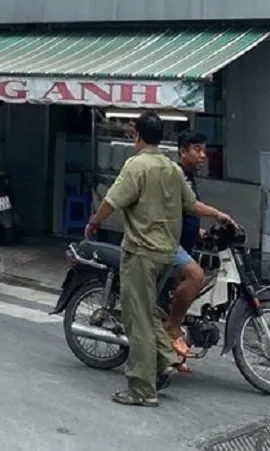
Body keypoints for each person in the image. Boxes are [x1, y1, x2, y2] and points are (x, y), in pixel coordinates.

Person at [84, 112, 233, 407]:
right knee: (149, 312)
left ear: (137, 136)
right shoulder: (171, 168)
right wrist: (217, 213)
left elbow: (112, 200)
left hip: (141, 252)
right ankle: (165, 358)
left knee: (137, 319)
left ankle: (142, 389)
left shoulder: (136, 165)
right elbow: (190, 204)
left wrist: (93, 222)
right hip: (167, 253)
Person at [161, 131, 213, 367]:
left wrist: (199, 233)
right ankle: (173, 325)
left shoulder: (189, 176)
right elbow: (191, 206)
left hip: (182, 242)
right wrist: (220, 216)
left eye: (204, 150)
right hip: (166, 243)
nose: (203, 155)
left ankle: (169, 345)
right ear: (182, 151)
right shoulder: (177, 174)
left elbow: (182, 212)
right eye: (196, 149)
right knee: (196, 275)